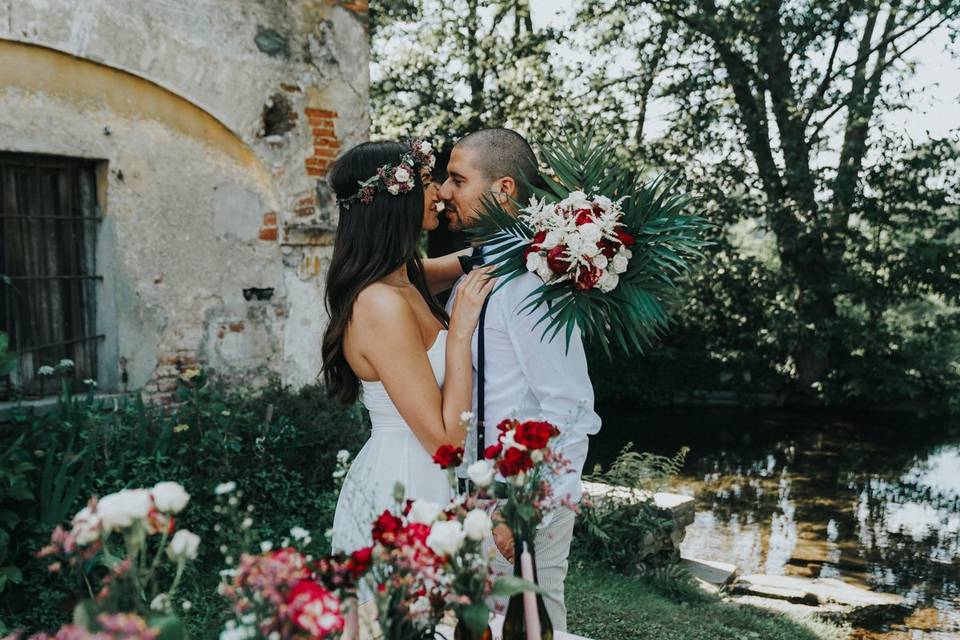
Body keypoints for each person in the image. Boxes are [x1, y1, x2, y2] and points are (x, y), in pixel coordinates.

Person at [438, 128, 602, 632]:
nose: (444, 192)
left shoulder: (535, 287)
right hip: (477, 490)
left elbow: (571, 410)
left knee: (533, 623)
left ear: (503, 189)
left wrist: (523, 509)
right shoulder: (476, 274)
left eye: (456, 179)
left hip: (520, 497)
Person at [323, 140, 494, 558]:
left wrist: (552, 239)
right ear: (393, 201)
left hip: (428, 478)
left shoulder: (407, 277)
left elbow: (476, 259)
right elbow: (444, 445)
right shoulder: (379, 304)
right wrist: (459, 333)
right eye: (424, 182)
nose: (438, 192)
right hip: (405, 485)